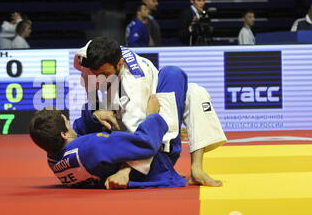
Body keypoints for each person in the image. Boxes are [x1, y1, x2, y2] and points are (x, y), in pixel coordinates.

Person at [75, 37, 226, 186]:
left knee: (193, 91)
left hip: (156, 142)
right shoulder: (96, 52)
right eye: (96, 74)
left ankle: (193, 168)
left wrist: (124, 171)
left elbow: (141, 140)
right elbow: (79, 59)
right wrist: (89, 80)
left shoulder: (133, 87)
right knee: (192, 89)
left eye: (105, 74)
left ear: (120, 63)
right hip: (119, 113)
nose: (100, 79)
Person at [29, 94, 187, 189]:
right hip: (158, 168)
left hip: (108, 169)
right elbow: (145, 144)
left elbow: (79, 128)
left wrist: (94, 115)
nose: (71, 123)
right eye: (67, 122)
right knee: (171, 76)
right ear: (64, 134)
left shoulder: (53, 157)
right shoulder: (93, 147)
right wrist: (152, 116)